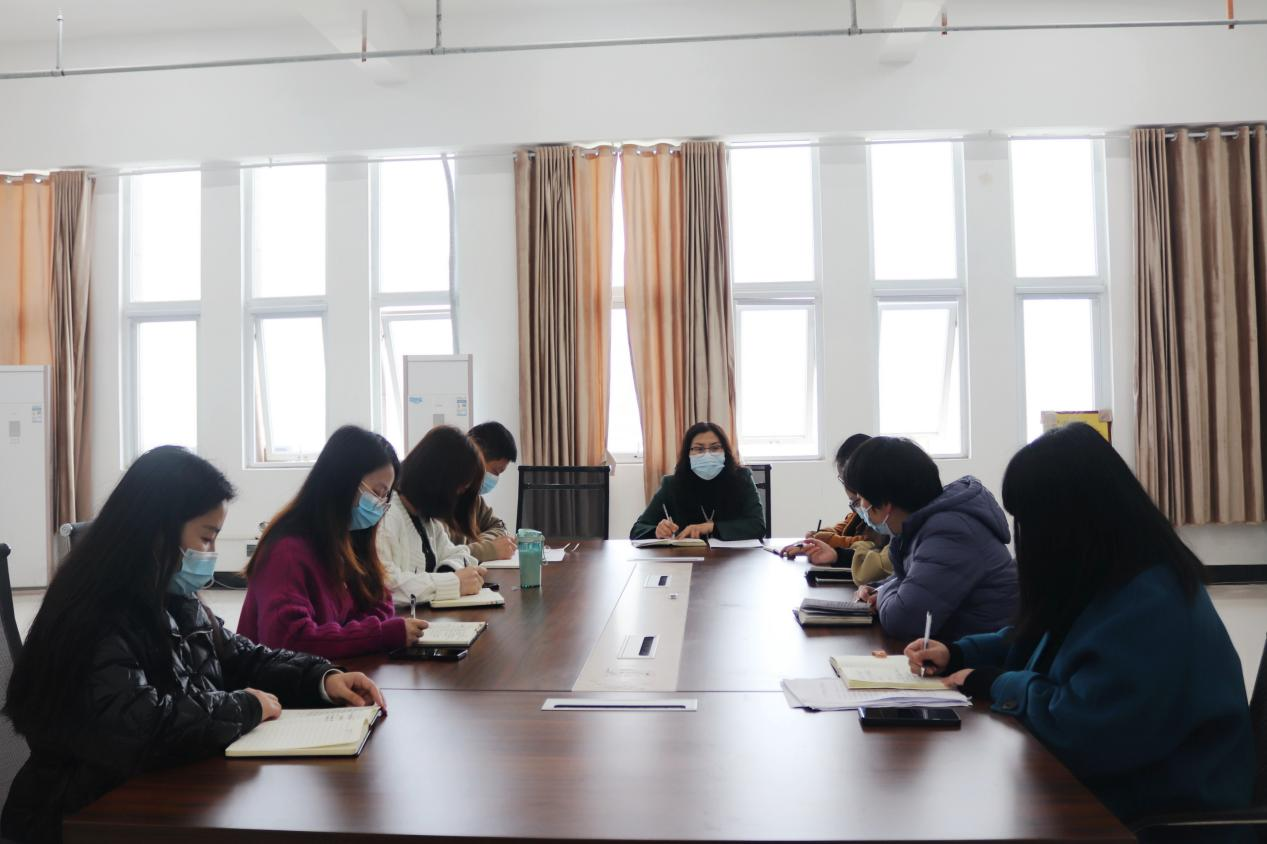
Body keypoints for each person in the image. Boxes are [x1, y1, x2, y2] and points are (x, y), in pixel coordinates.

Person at [1, 446, 385, 843]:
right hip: (80, 816)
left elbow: (239, 657)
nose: (210, 555)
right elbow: (141, 728)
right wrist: (245, 706)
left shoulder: (169, 594)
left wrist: (321, 678)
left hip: (150, 794)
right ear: (158, 529)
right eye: (206, 538)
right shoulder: (94, 614)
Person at [903, 423, 1253, 831]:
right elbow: (1040, 637)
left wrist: (998, 683)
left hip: (1159, 813)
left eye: (1030, 521)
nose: (1025, 537)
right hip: (1117, 791)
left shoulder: (1150, 603)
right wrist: (959, 652)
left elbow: (1085, 732)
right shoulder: (1108, 575)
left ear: (1070, 521)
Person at [240, 426, 429, 660]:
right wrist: (376, 635)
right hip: (280, 679)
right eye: (376, 492)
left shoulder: (348, 538)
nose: (380, 504)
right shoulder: (287, 550)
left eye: (385, 496)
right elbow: (289, 640)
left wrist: (350, 636)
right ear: (342, 482)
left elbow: (381, 602)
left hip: (328, 672)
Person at [839, 436, 1017, 640]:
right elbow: (914, 580)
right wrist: (880, 588)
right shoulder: (927, 525)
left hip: (985, 655)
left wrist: (882, 595)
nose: (861, 507)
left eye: (861, 498)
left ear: (885, 503)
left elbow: (904, 620)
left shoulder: (950, 533)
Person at [378, 426, 489, 605]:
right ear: (437, 480)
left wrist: (450, 572)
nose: (459, 497)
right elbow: (388, 586)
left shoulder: (426, 520)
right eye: (459, 488)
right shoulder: (388, 515)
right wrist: (454, 582)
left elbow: (459, 553)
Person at [781, 434, 893, 584]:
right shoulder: (871, 514)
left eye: (858, 500)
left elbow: (876, 555)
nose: (861, 507)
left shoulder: (899, 531)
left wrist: (833, 547)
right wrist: (831, 548)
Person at [630, 422, 765, 541]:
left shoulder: (742, 478)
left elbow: (758, 526)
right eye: (699, 449)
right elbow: (637, 529)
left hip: (733, 559)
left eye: (715, 448)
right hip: (686, 558)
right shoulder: (672, 485)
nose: (707, 455)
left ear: (725, 452)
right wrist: (657, 531)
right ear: (687, 454)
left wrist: (711, 527)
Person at [449, 421, 518, 563]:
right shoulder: (437, 497)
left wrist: (481, 544)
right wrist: (488, 549)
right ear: (476, 454)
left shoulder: (472, 496)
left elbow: (498, 526)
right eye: (495, 471)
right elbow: (441, 555)